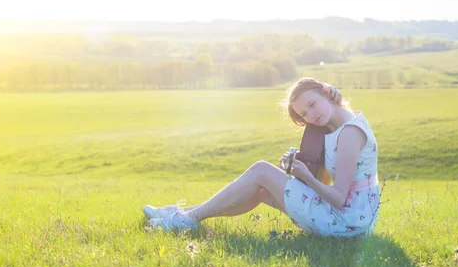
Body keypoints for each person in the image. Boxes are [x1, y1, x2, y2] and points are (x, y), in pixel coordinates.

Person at [144, 77, 380, 237]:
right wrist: (299, 164)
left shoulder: (349, 133)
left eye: (312, 104)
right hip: (352, 218)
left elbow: (338, 198)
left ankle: (184, 220)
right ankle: (183, 216)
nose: (311, 115)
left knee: (260, 170)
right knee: (262, 190)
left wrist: (306, 177)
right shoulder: (338, 125)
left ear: (327, 94)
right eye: (303, 113)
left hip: (348, 222)